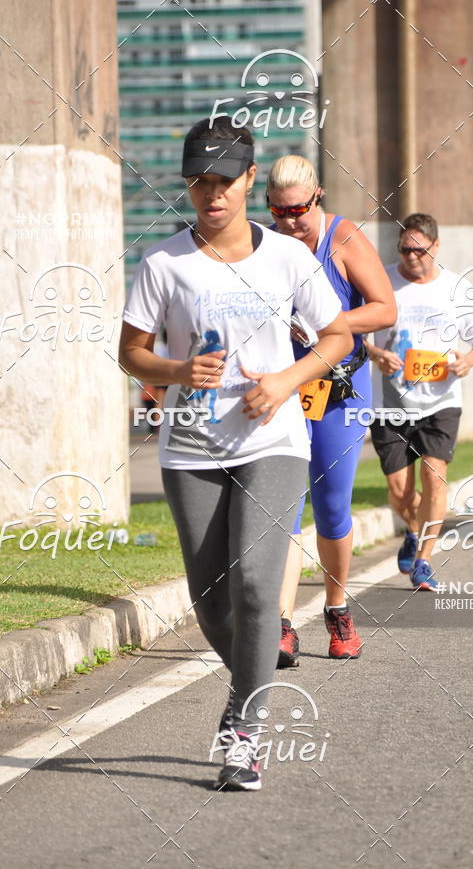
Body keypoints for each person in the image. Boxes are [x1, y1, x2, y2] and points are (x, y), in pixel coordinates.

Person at [119, 117, 352, 792]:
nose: (211, 193)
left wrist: (285, 381)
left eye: (223, 180)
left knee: (254, 586)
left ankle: (245, 729)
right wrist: (176, 370)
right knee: (212, 602)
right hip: (190, 447)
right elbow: (130, 351)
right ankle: (246, 683)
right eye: (198, 181)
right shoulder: (164, 263)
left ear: (250, 178)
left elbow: (337, 336)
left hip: (273, 440)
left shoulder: (287, 258)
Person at [266, 155, 396, 665]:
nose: (289, 222)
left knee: (332, 506)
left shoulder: (342, 239)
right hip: (285, 388)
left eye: (298, 210)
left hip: (340, 389)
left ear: (317, 197)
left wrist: (329, 324)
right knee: (282, 506)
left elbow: (385, 308)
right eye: (278, 211)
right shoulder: (265, 243)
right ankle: (280, 625)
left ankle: (338, 610)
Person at [365, 213, 473, 589]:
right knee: (400, 491)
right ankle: (412, 529)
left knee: (435, 479)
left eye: (419, 250)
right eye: (405, 249)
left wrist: (469, 360)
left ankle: (424, 560)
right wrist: (376, 354)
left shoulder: (457, 288)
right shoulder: (381, 279)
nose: (411, 257)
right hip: (390, 402)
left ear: (436, 247)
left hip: (441, 400)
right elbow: (354, 333)